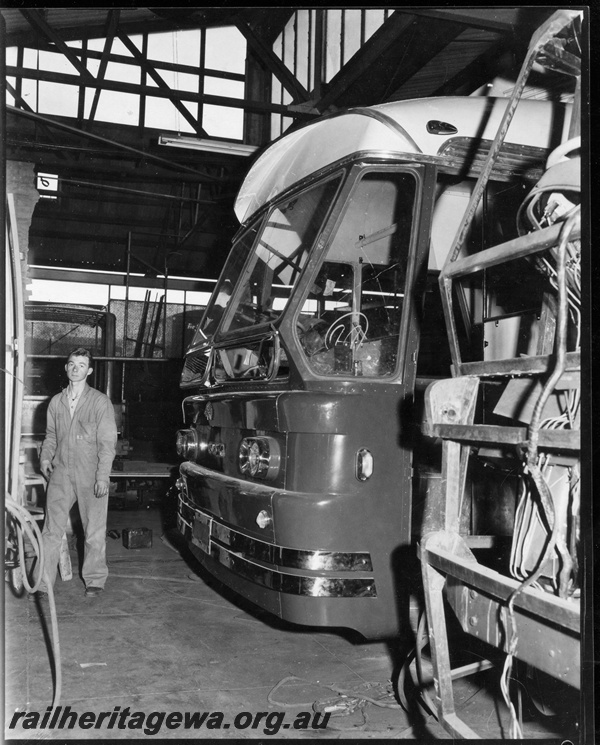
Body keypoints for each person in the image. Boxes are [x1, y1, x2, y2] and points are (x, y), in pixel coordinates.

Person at [34, 348, 117, 600]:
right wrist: (45, 457)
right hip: (60, 473)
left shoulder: (100, 402)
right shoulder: (56, 402)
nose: (75, 368)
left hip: (90, 474)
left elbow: (107, 443)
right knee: (51, 530)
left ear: (89, 370)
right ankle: (42, 582)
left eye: (81, 365)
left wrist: (102, 476)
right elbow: (50, 436)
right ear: (66, 368)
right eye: (71, 364)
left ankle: (94, 580)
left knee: (93, 530)